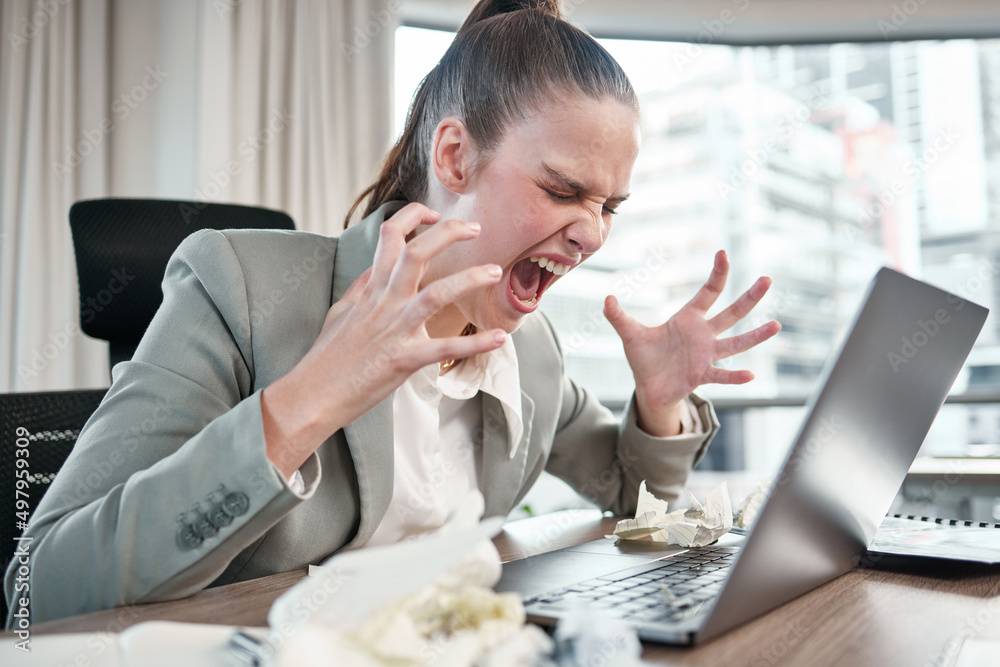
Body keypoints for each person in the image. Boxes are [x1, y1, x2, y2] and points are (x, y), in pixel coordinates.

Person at [4, 0, 779, 626]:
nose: (594, 231)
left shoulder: (529, 347)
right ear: (453, 157)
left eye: (610, 204)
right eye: (563, 189)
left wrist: (660, 398)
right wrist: (309, 399)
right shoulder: (238, 286)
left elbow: (624, 486)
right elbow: (41, 589)